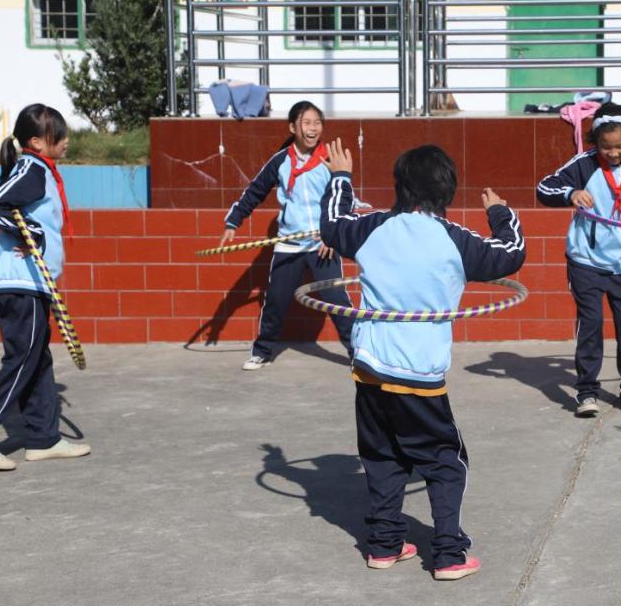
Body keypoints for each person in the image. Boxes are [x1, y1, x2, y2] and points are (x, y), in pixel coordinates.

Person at [320, 140, 525, 580]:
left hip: (370, 368)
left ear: (400, 186)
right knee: (445, 461)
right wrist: (499, 212)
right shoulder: (454, 240)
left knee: (383, 456)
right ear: (447, 191)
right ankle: (449, 554)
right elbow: (512, 253)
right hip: (418, 374)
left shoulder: (373, 227)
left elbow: (332, 226)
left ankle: (384, 545)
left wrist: (339, 177)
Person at [0, 104, 90, 471]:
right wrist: (31, 232)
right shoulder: (32, 169)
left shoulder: (42, 170)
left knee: (37, 357)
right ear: (37, 142)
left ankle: (43, 438)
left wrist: (33, 233)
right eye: (60, 136)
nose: (67, 141)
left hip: (34, 282)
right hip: (20, 280)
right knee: (23, 357)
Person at [535, 101, 621, 417]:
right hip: (585, 259)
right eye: (606, 146)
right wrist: (570, 194)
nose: (613, 153)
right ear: (596, 141)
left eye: (620, 146)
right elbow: (544, 188)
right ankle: (586, 393)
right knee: (591, 324)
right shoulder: (583, 164)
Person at [220, 101, 353, 370]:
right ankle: (262, 352)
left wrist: (332, 235)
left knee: (337, 300)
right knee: (275, 300)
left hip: (322, 243)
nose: (313, 128)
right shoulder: (280, 161)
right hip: (289, 244)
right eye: (307, 123)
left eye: (317, 123)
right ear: (292, 127)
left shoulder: (330, 159)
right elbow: (254, 191)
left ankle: (359, 355)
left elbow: (343, 199)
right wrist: (233, 221)